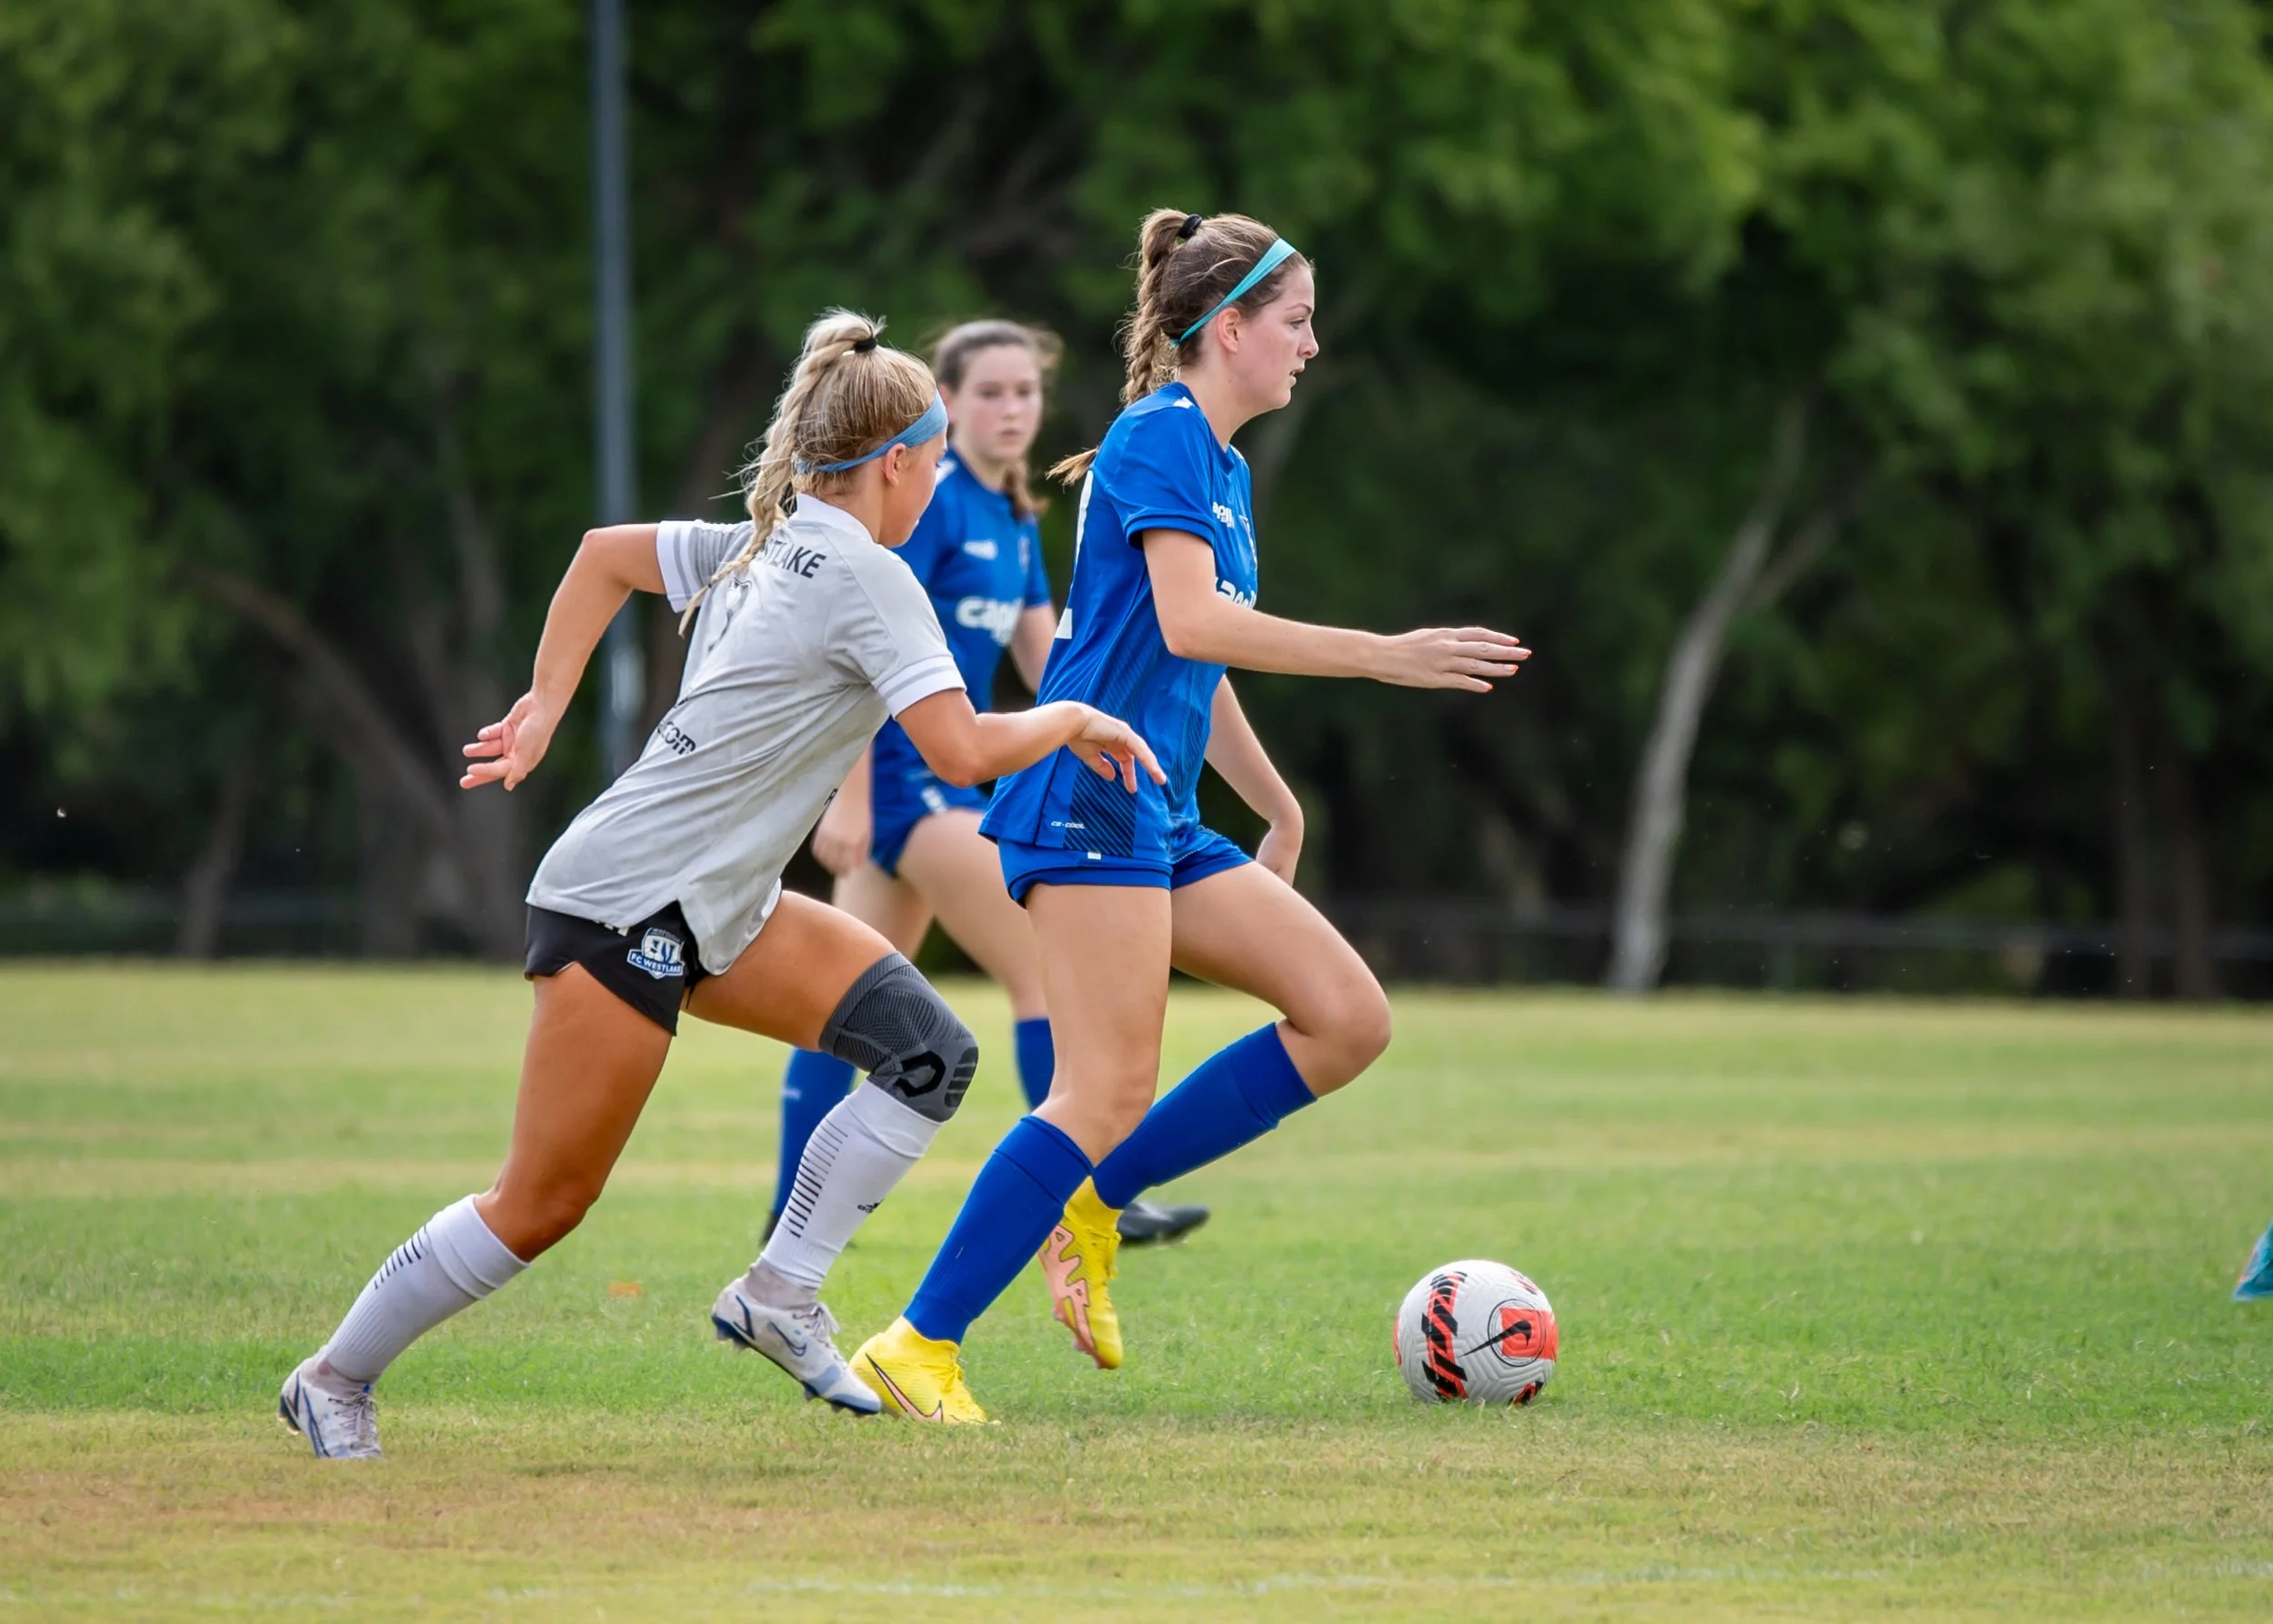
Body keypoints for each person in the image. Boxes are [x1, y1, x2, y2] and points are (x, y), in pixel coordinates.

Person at [275, 311, 1160, 1458]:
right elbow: (960, 752)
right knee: (540, 1204)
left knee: (927, 1054)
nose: (939, 483)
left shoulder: (766, 536)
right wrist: (1072, 717)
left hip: (718, 913)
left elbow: (601, 553)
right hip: (623, 906)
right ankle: (333, 1378)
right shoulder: (869, 576)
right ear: (895, 461)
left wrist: (548, 698)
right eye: (934, 461)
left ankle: (780, 1291)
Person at [848, 212, 1529, 1421]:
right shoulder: (1156, 434)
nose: (1313, 345)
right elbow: (1192, 622)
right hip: (1088, 800)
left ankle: (1095, 1200)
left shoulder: (1220, 463)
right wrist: (1380, 653)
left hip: (1157, 811)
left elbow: (1186, 666)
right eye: (1298, 321)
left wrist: (1273, 800)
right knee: (1099, 1088)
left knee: (1345, 1017)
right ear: (1226, 329)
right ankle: (916, 1341)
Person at [772, 319, 1207, 1250]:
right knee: (1041, 970)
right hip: (909, 782)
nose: (1013, 410)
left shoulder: (1012, 517)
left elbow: (1055, 657)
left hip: (940, 780)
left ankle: (783, 1226)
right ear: (947, 406)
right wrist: (846, 801)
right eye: (991, 393)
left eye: (1027, 393)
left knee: (835, 1011)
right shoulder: (926, 504)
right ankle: (1093, 1191)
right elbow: (856, 643)